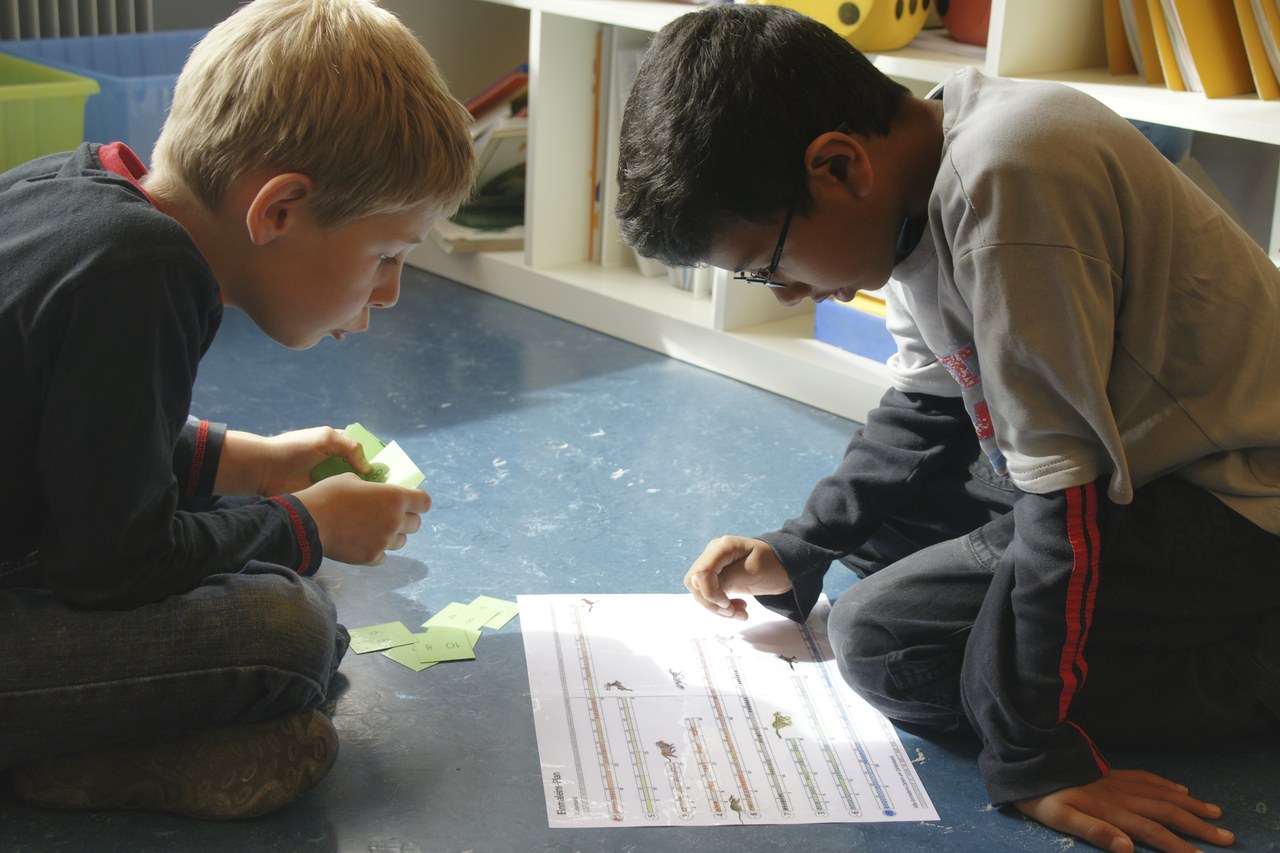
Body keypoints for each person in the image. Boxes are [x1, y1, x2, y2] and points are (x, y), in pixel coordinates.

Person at [615, 6, 1280, 853]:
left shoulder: (1008, 175)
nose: (779, 291)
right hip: (1132, 462)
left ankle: (1259, 665)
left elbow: (1064, 496)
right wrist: (803, 546)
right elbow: (934, 405)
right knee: (873, 529)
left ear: (838, 164)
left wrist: (1035, 754)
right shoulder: (913, 177)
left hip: (1233, 500)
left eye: (766, 263)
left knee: (887, 644)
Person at [0, 0, 475, 819]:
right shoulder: (140, 275)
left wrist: (245, 462)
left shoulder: (73, 190)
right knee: (286, 637)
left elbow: (73, 436)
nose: (393, 292)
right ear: (278, 210)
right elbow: (113, 566)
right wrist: (306, 528)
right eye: (387, 254)